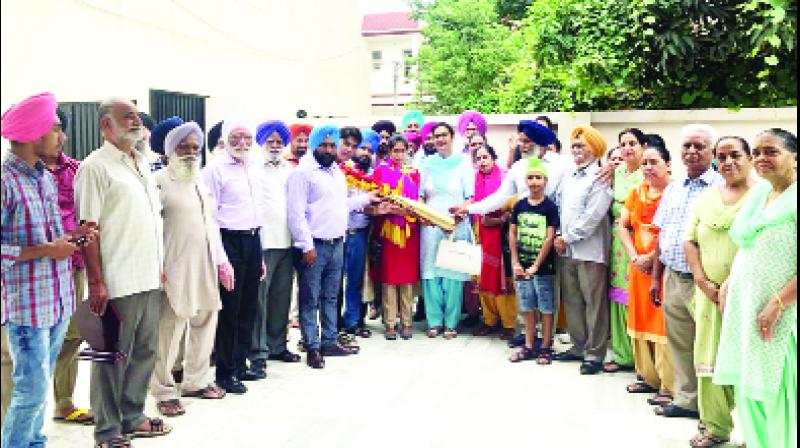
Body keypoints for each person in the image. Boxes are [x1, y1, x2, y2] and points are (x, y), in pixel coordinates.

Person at [74, 97, 170, 445]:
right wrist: (97, 282)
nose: (136, 122)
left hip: (148, 277)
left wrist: (159, 267)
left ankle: (132, 416)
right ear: (106, 126)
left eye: (136, 117)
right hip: (117, 281)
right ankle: (107, 430)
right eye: (126, 117)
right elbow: (88, 230)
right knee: (111, 355)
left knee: (144, 352)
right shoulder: (95, 167)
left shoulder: (142, 163)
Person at [1, 93, 86, 447]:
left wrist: (73, 237)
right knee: (31, 392)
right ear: (33, 132)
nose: (62, 137)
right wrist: (48, 250)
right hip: (28, 308)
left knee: (41, 386)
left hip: (58, 300)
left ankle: (33, 441)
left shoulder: (44, 179)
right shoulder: (5, 181)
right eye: (56, 129)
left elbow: (49, 239)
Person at [715, 128, 797, 448]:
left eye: (771, 152)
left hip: (783, 316)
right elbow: (751, 245)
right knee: (751, 392)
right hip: (748, 309)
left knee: (780, 393)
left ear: (795, 158)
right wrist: (731, 281)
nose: (762, 158)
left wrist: (778, 303)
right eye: (758, 152)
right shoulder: (761, 195)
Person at [150, 119, 231, 417]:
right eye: (183, 146)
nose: (190, 152)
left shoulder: (200, 181)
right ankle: (163, 390)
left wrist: (222, 262)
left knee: (205, 319)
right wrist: (157, 265)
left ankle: (196, 381)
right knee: (170, 329)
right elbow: (152, 228)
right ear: (170, 150)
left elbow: (212, 224)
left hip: (205, 262)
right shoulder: (158, 181)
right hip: (174, 264)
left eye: (195, 147)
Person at [683, 136, 755, 447]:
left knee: (748, 363)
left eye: (735, 155)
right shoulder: (707, 197)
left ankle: (753, 433)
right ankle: (715, 427)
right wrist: (702, 280)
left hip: (748, 295)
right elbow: (690, 240)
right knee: (708, 361)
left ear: (750, 158)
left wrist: (730, 284)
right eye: (722, 157)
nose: (727, 162)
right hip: (708, 296)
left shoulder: (763, 197)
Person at [286, 126, 378, 369]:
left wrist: (367, 199)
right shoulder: (302, 173)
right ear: (314, 145)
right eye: (323, 145)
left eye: (331, 145)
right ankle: (312, 346)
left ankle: (329, 340)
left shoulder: (336, 171)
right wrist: (306, 246)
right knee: (309, 298)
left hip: (337, 242)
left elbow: (340, 204)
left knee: (330, 296)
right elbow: (295, 214)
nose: (328, 149)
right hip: (314, 245)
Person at [650, 124, 723, 419]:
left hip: (705, 281)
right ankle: (686, 399)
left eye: (699, 146)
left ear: (712, 152)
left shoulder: (720, 187)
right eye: (687, 147)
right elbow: (662, 234)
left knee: (708, 346)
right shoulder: (674, 188)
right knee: (680, 343)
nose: (692, 152)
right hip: (674, 277)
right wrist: (656, 277)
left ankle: (713, 409)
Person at [202, 117, 266, 392]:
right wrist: (221, 260)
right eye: (236, 137)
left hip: (252, 241)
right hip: (229, 242)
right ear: (226, 140)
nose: (242, 143)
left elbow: (256, 212)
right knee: (230, 310)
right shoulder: (215, 170)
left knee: (248, 309)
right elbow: (210, 218)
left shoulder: (253, 167)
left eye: (247, 138)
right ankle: (225, 373)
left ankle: (241, 365)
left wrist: (260, 254)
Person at [39, 107, 95, 425]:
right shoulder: (17, 176)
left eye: (61, 128)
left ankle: (64, 402)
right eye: (51, 129)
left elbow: (87, 217)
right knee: (27, 340)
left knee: (71, 334)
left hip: (71, 267)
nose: (59, 136)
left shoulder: (76, 170)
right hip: (30, 271)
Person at [552, 125, 613, 376]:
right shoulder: (569, 175)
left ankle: (594, 354)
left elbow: (593, 215)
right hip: (566, 250)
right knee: (573, 301)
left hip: (590, 252)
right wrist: (558, 236)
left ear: (595, 148)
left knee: (594, 305)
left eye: (582, 145)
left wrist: (567, 237)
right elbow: (557, 203)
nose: (576, 150)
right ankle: (578, 346)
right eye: (574, 145)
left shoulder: (600, 177)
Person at [618, 145, 675, 408]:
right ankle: (647, 376)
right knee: (639, 319)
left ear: (668, 165)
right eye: (645, 163)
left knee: (662, 324)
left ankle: (669, 384)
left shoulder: (674, 193)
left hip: (662, 268)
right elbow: (623, 226)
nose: (648, 167)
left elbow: (672, 231)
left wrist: (652, 258)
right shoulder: (636, 192)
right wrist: (634, 256)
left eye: (654, 162)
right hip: (638, 267)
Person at [250, 120, 302, 365]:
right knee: (259, 301)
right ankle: (258, 351)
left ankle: (278, 346)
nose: (275, 145)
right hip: (263, 242)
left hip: (287, 241)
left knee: (282, 299)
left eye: (279, 141)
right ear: (261, 143)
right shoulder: (252, 168)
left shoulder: (289, 170)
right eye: (270, 141)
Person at [418, 123, 474, 339]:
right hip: (431, 226)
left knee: (452, 273)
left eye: (444, 135)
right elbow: (422, 194)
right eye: (436, 136)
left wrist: (461, 213)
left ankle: (451, 323)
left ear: (452, 137)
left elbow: (470, 197)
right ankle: (434, 322)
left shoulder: (464, 164)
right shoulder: (426, 164)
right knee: (431, 273)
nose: (440, 139)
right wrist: (422, 213)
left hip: (455, 225)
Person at [508, 157, 559, 363]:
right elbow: (512, 234)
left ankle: (546, 346)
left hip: (543, 267)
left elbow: (550, 237)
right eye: (530, 178)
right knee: (527, 307)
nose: (534, 182)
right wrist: (515, 262)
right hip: (522, 266)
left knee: (546, 308)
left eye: (538, 177)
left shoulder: (550, 207)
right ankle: (529, 345)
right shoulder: (519, 205)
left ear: (545, 181)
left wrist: (537, 265)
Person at [371, 134, 421, 340]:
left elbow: (418, 203)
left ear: (408, 151)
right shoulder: (380, 171)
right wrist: (387, 208)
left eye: (403, 150)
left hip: (408, 233)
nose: (399, 155)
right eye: (395, 150)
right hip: (388, 232)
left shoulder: (414, 173)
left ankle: (407, 322)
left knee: (407, 280)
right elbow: (373, 199)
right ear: (390, 151)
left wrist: (406, 211)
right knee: (389, 279)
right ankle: (390, 323)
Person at [605, 128, 646, 374]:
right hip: (615, 239)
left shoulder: (647, 172)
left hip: (637, 240)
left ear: (642, 146)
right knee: (617, 296)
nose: (628, 148)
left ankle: (639, 357)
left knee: (635, 297)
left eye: (633, 143)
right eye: (623, 144)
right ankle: (622, 354)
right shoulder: (617, 172)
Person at [471, 145, 517, 340]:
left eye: (485, 157)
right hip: (481, 232)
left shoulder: (505, 177)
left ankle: (508, 323)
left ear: (493, 158)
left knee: (502, 279)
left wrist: (498, 220)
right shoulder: (476, 179)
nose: (482, 161)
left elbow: (512, 206)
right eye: (478, 158)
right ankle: (489, 319)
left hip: (501, 235)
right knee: (483, 277)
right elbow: (473, 203)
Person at [338, 127, 373, 341]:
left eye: (354, 146)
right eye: (347, 144)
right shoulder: (330, 168)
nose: (351, 149)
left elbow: (363, 202)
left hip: (358, 231)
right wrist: (368, 200)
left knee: (355, 280)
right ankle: (332, 324)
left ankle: (352, 322)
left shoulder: (358, 171)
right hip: (335, 233)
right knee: (333, 283)